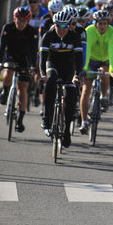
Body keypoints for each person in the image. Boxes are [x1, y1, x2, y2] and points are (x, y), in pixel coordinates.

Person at [39, 9, 83, 147]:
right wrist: (42, 74)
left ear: (69, 25)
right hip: (53, 64)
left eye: (65, 26)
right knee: (50, 80)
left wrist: (77, 75)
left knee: (70, 95)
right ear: (54, 24)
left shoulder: (74, 37)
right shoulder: (48, 35)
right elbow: (43, 57)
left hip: (68, 67)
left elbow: (79, 59)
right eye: (59, 25)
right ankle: (47, 118)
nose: (62, 29)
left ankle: (67, 130)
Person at [0, 6, 39, 132]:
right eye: (18, 20)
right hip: (10, 55)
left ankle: (20, 120)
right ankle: (5, 90)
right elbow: (1, 46)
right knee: (9, 69)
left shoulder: (32, 32)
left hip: (25, 59)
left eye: (24, 21)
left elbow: (33, 51)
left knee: (23, 87)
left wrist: (32, 66)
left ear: (28, 21)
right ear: (14, 18)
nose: (20, 24)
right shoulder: (8, 28)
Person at [79, 9, 113, 134]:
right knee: (86, 90)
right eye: (100, 24)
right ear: (95, 24)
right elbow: (87, 50)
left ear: (108, 24)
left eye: (105, 23)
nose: (102, 26)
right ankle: (84, 121)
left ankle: (103, 95)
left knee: (104, 73)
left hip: (105, 60)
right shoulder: (89, 31)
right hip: (90, 60)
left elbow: (112, 51)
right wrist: (84, 68)